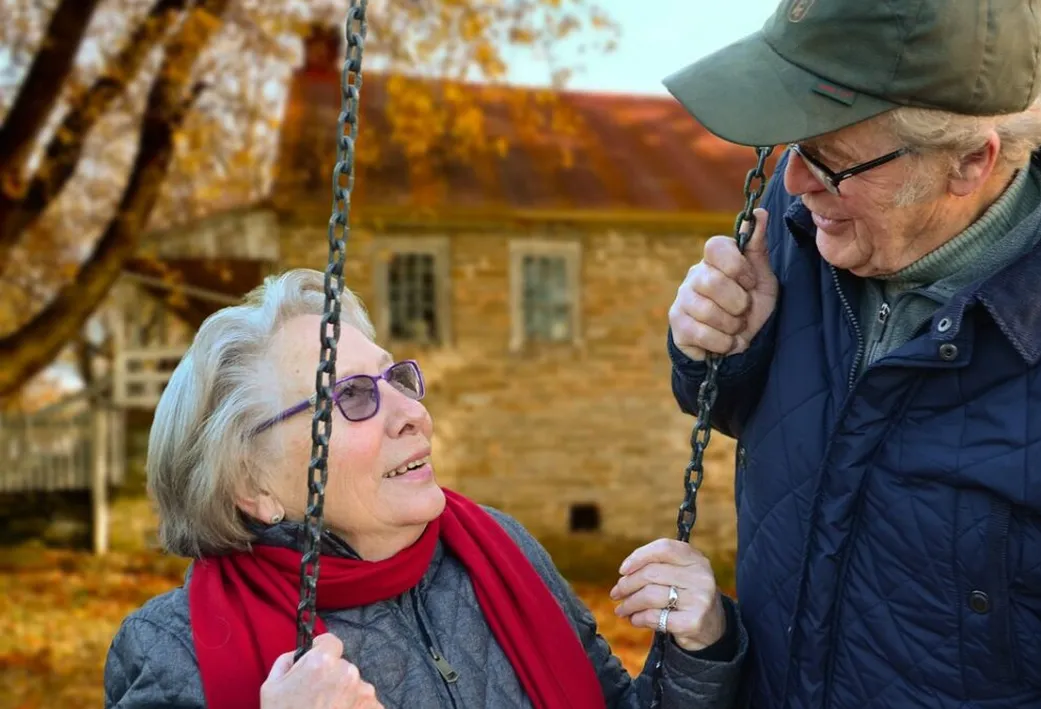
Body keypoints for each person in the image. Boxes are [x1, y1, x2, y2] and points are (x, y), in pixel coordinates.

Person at [662, 0, 1041, 707]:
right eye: (793, 143)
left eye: (832, 159)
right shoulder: (807, 241)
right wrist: (719, 351)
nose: (795, 183)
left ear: (971, 161)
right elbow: (765, 426)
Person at [104, 268, 747, 709]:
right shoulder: (172, 648)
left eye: (396, 379)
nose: (411, 411)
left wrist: (698, 649)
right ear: (252, 484)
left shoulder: (499, 552)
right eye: (351, 397)